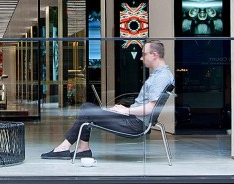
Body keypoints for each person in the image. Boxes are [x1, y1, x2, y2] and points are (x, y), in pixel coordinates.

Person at [41, 41, 174, 159]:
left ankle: (67, 148)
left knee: (87, 109)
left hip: (134, 124)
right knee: (87, 107)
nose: (140, 58)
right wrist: (124, 109)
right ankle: (82, 149)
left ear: (155, 54)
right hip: (133, 119)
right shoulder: (159, 75)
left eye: (144, 54)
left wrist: (126, 110)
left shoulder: (161, 77)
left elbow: (151, 108)